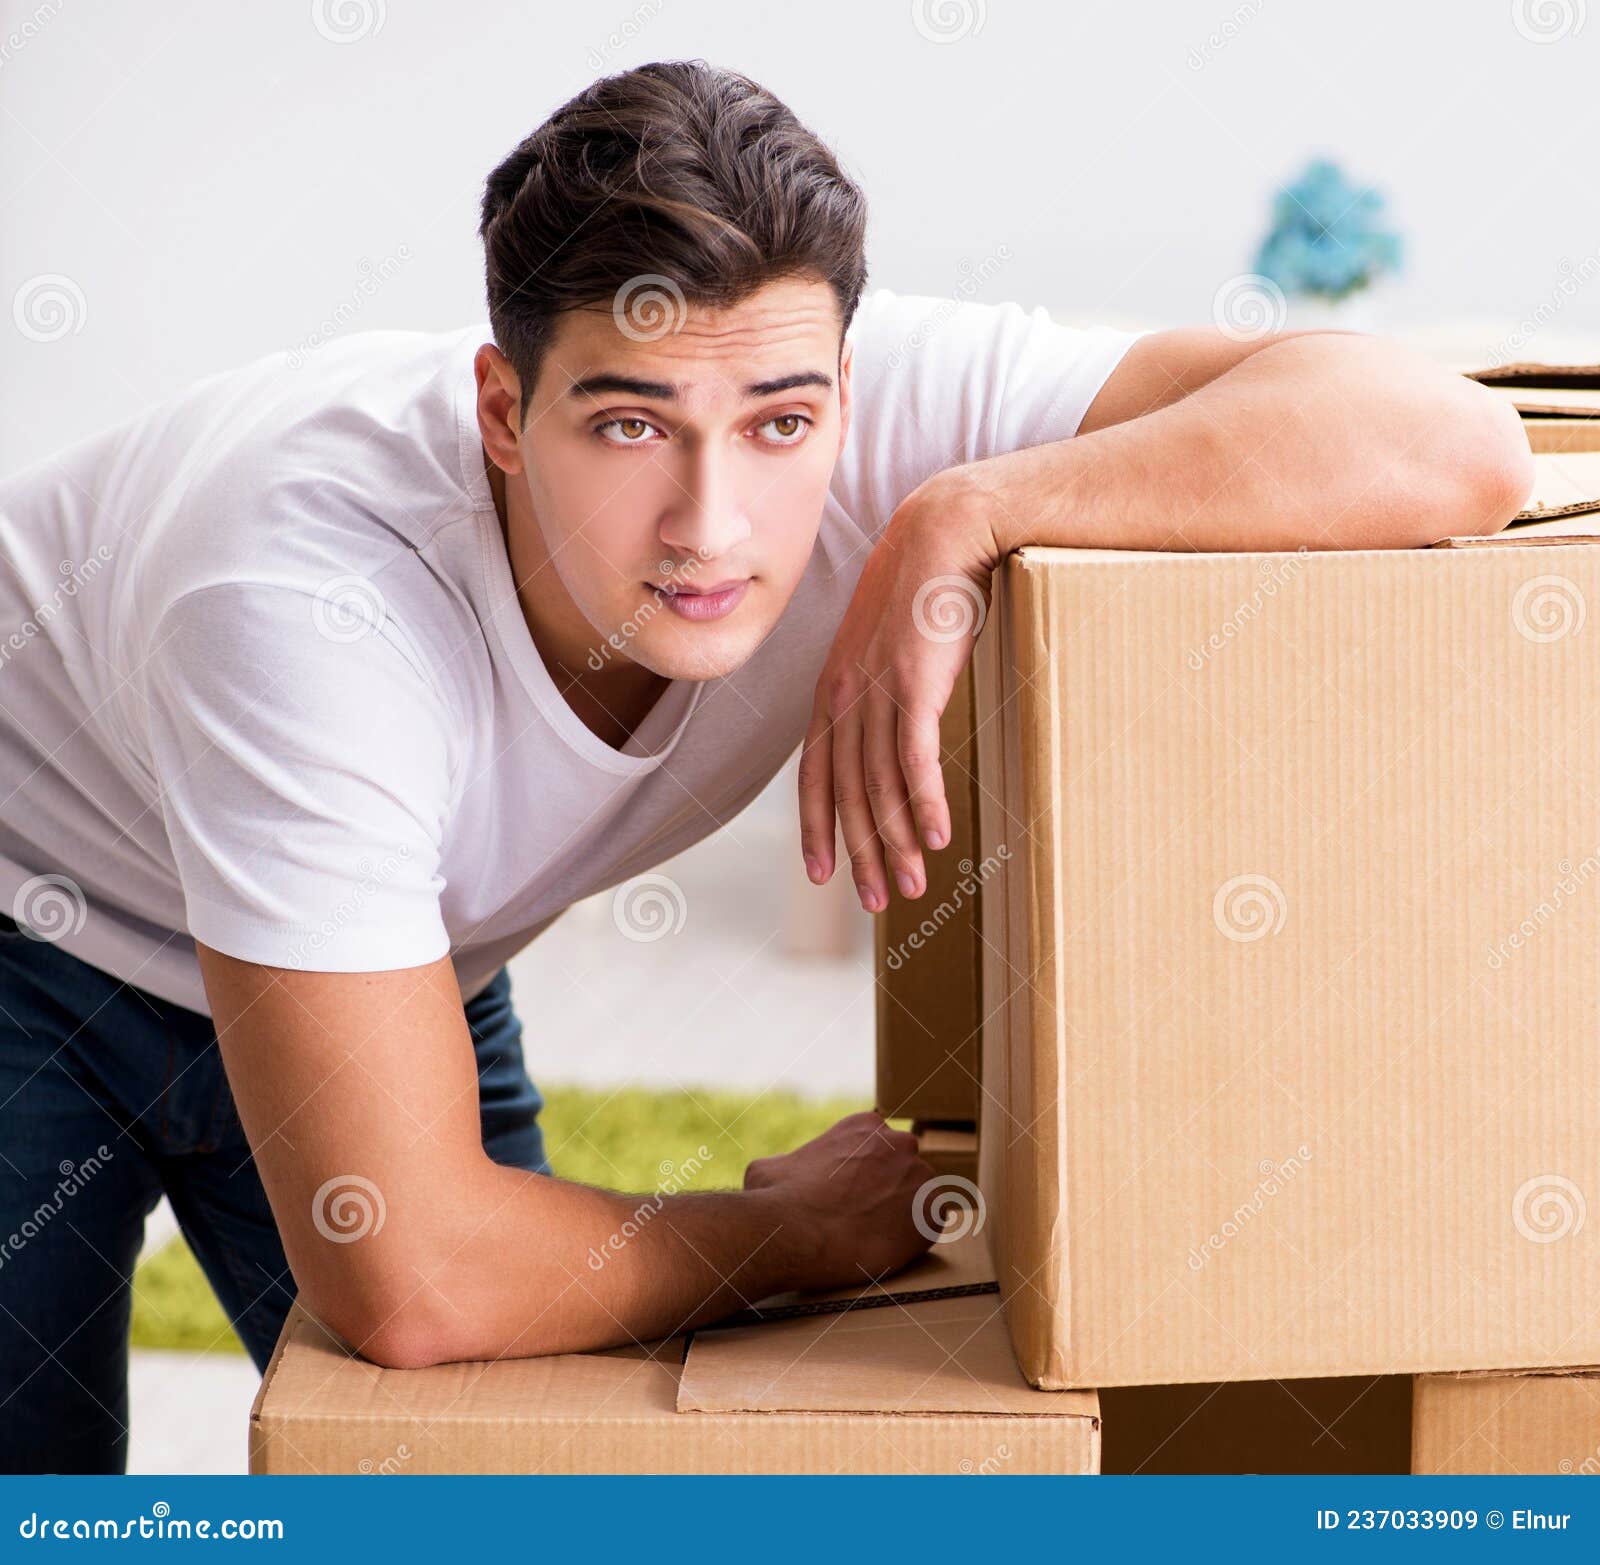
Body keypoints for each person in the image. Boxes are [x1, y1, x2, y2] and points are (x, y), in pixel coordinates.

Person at [0, 59, 1531, 1474]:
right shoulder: (303, 602)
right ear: (503, 414)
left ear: (846, 393)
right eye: (630, 425)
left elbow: (1446, 441)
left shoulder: (882, 407)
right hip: (35, 926)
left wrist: (968, 511)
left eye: (783, 423)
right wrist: (796, 1234)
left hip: (399, 952)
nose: (711, 524)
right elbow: (422, 1280)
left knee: (490, 1479)